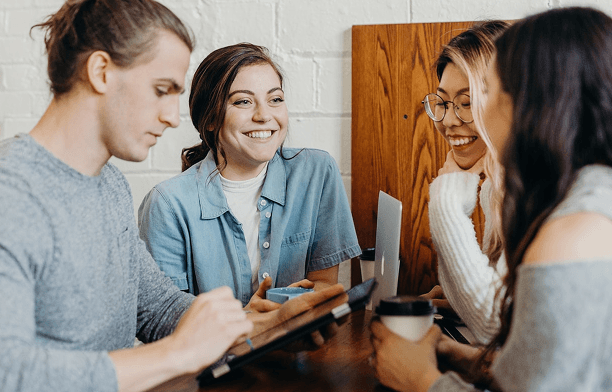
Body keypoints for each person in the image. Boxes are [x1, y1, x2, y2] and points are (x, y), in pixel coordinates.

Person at [0, 1, 344, 391]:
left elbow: (157, 308)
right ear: (100, 72)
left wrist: (262, 329)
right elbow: (8, 372)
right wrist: (178, 353)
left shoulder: (108, 184)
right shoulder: (11, 192)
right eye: (161, 90)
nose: (172, 116)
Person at [371, 6, 612, 391]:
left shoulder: (574, 232)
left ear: (534, 104)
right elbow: (546, 368)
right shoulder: (586, 195)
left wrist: (421, 380)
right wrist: (467, 359)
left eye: (489, 92)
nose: (457, 117)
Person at [138, 43, 361, 310]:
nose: (264, 115)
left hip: (299, 346)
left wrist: (292, 310)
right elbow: (166, 318)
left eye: (275, 99)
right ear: (209, 119)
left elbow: (325, 284)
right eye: (243, 101)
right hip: (218, 352)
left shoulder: (316, 172)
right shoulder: (167, 204)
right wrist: (250, 322)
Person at [421, 20, 509, 344]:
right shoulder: (495, 185)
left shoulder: (531, 188)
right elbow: (504, 314)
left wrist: (446, 199)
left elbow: (493, 326)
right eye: (442, 102)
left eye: (467, 102)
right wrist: (460, 299)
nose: (448, 120)